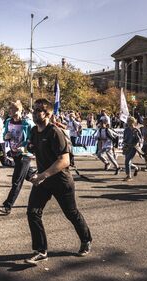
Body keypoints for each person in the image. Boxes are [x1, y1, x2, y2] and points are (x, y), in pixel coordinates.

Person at [24, 98, 92, 265]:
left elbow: (64, 161)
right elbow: (31, 147)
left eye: (38, 110)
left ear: (47, 113)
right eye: (33, 110)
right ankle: (41, 250)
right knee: (33, 213)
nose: (34, 113)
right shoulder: (34, 131)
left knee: (71, 213)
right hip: (44, 181)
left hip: (61, 180)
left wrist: (42, 175)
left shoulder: (55, 132)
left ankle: (86, 240)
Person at [0, 100, 35, 215]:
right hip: (15, 154)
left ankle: (7, 206)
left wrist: (26, 145)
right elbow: (5, 135)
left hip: (25, 154)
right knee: (31, 177)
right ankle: (48, 188)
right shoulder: (8, 121)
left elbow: (35, 136)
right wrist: (6, 136)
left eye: (12, 109)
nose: (10, 111)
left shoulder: (27, 123)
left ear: (19, 110)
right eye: (10, 109)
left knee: (16, 181)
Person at [122, 117, 142, 181]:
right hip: (127, 147)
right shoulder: (126, 130)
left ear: (133, 122)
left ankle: (129, 176)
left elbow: (140, 139)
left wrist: (136, 135)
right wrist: (124, 143)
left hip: (134, 147)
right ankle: (136, 168)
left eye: (130, 121)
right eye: (128, 121)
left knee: (127, 160)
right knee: (128, 162)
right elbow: (124, 138)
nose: (128, 122)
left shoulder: (136, 130)